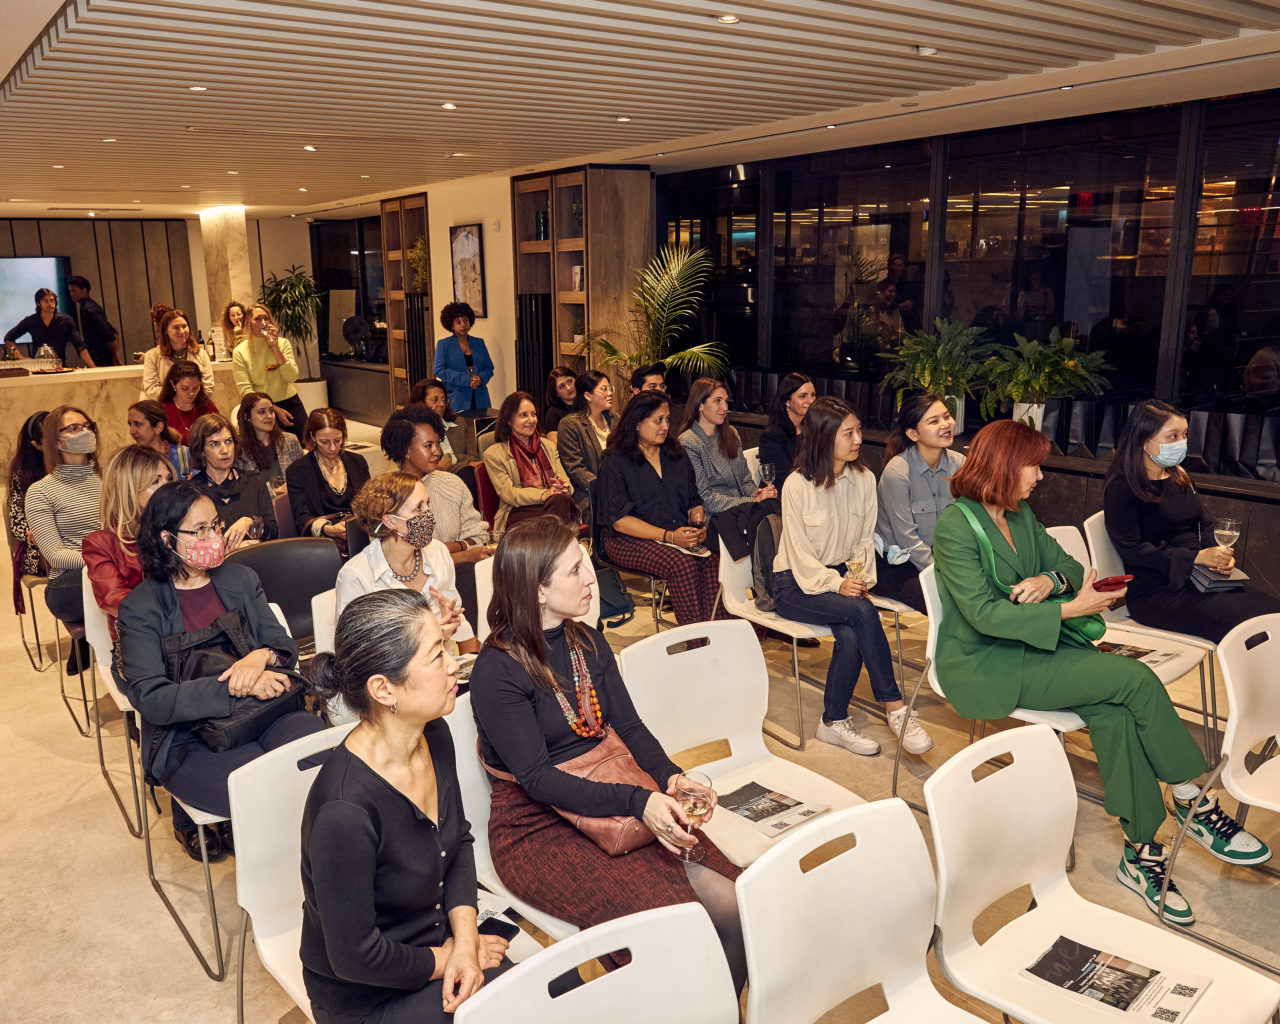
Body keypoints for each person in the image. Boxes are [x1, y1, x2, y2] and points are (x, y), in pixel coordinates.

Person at [932, 419, 1269, 923]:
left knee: (1115, 712)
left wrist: (1049, 581)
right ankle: (1191, 799)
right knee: (1135, 680)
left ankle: (1140, 854)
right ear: (1003, 466)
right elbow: (984, 615)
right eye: (1034, 465)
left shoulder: (1019, 515)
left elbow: (1068, 564)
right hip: (987, 661)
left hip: (1038, 645)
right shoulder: (957, 525)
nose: (1040, 476)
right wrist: (1070, 607)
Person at [470, 517, 746, 993]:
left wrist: (670, 777)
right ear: (537, 590)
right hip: (534, 826)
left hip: (610, 790)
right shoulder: (497, 670)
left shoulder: (587, 641)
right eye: (574, 570)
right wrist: (639, 801)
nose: (590, 577)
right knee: (672, 930)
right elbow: (536, 779)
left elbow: (630, 728)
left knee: (737, 901)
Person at [303, 589, 510, 1023]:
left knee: (552, 992)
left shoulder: (433, 733)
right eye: (437, 655)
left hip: (436, 945)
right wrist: (448, 957)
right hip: (368, 996)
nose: (454, 663)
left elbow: (457, 843)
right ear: (383, 689)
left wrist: (467, 944)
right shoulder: (344, 811)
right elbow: (355, 957)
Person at [118, 480, 325, 861]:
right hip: (189, 736)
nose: (214, 536)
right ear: (167, 540)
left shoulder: (240, 579)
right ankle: (276, 895)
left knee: (324, 760)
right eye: (200, 531)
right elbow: (152, 699)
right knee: (264, 792)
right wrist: (237, 686)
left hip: (266, 713)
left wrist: (259, 657)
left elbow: (285, 648)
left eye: (215, 525)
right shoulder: (141, 608)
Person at [772, 396, 933, 757]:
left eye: (859, 430)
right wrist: (837, 584)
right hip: (794, 583)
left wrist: (855, 578)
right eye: (849, 433)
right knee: (861, 613)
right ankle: (896, 708)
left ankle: (832, 722)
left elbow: (863, 540)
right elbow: (798, 554)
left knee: (851, 630)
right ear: (823, 436)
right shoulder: (797, 485)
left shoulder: (863, 478)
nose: (858, 439)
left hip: (842, 577)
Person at [1102, 399, 1280, 643]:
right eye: (1172, 436)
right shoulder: (1122, 488)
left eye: (1184, 435)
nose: (1181, 443)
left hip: (1199, 578)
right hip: (1156, 592)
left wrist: (1216, 554)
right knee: (1253, 630)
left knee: (1273, 615)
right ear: (1144, 441)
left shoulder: (1179, 476)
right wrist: (1196, 557)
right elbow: (1132, 549)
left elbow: (1203, 525)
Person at [596, 390, 721, 626]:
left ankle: (717, 633)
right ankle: (696, 639)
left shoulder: (675, 454)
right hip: (625, 540)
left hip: (672, 534)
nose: (665, 426)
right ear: (637, 423)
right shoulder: (616, 461)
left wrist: (698, 526)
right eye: (658, 420)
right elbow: (619, 520)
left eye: (667, 420)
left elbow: (694, 499)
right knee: (681, 565)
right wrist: (669, 537)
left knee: (712, 559)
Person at [336, 472, 479, 656]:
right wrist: (434, 637)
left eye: (428, 504)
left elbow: (460, 624)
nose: (429, 514)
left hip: (442, 664)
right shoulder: (357, 575)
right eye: (418, 508)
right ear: (389, 520)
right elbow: (356, 654)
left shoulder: (438, 552)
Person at [25, 405, 102, 672]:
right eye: (73, 428)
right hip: (69, 582)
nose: (84, 432)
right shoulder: (40, 492)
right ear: (55, 441)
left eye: (87, 426)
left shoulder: (105, 481)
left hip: (108, 573)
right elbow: (56, 554)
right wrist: (106, 560)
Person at [874, 393, 964, 614]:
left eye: (947, 416)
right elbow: (907, 539)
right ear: (913, 434)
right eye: (934, 421)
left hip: (944, 559)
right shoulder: (898, 472)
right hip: (899, 565)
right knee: (950, 603)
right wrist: (942, 573)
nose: (946, 425)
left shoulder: (960, 464)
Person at [83, 445, 174, 647]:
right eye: (155, 482)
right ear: (129, 489)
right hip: (141, 642)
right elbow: (115, 599)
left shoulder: (179, 527)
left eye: (168, 479)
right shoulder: (100, 543)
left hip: (188, 630)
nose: (167, 488)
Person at [678, 377, 778, 560]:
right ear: (700, 405)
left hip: (742, 511)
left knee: (775, 509)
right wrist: (752, 501)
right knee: (768, 520)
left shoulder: (730, 433)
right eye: (717, 401)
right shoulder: (689, 442)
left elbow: (746, 480)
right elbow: (706, 499)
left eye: (725, 401)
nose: (724, 407)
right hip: (714, 518)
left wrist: (757, 493)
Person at [380, 406, 491, 562]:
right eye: (428, 445)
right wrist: (463, 555)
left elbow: (479, 536)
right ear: (406, 450)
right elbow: (406, 559)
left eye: (438, 443)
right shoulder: (387, 492)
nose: (437, 452)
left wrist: (451, 547)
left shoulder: (452, 483)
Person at [481, 391, 574, 531]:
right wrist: (544, 495)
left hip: (553, 504)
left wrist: (563, 488)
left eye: (533, 414)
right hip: (518, 511)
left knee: (562, 499)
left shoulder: (548, 446)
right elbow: (510, 495)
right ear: (509, 419)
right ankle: (560, 546)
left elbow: (565, 482)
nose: (531, 420)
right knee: (560, 505)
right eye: (523, 415)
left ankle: (551, 547)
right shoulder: (494, 454)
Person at [188, 413, 277, 550]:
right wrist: (228, 550)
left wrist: (250, 522)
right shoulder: (191, 492)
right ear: (201, 451)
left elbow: (273, 531)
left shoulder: (254, 480)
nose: (225, 450)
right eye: (214, 444)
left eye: (228, 441)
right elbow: (192, 545)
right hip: (215, 568)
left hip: (256, 559)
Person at [286, 408, 371, 544]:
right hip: (323, 542)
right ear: (312, 437)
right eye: (324, 442)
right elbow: (302, 518)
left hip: (359, 533)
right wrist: (328, 529)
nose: (332, 448)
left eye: (338, 440)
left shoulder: (357, 462)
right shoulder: (298, 471)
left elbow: (369, 502)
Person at [233, 304, 306, 441]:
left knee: (305, 443)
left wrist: (274, 347)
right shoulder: (240, 351)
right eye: (258, 319)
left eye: (266, 318)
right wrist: (274, 410)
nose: (263, 323)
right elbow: (245, 390)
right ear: (248, 323)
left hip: (289, 401)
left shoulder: (283, 344)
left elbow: (291, 376)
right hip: (258, 407)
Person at [556, 370, 615, 521]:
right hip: (589, 493)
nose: (609, 393)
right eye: (604, 389)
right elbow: (576, 468)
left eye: (610, 388)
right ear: (588, 395)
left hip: (620, 489)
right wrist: (605, 487)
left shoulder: (616, 421)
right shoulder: (570, 424)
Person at [6, 411, 48, 579]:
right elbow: (16, 524)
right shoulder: (22, 473)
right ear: (36, 444)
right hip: (38, 548)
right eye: (50, 440)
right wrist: (39, 532)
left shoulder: (72, 463)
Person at [4, 288, 93, 366]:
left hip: (60, 366)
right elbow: (9, 338)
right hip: (37, 367)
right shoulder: (30, 321)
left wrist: (93, 367)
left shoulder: (66, 320)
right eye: (45, 301)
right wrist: (20, 358)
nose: (50, 304)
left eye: (52, 300)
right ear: (38, 303)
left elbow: (80, 346)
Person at [235, 391, 303, 491]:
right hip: (259, 505)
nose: (269, 416)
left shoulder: (290, 440)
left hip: (291, 501)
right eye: (262, 412)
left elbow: (304, 474)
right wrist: (274, 492)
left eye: (271, 411)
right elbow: (243, 489)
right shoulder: (238, 449)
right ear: (247, 417)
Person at [433, 301, 493, 413]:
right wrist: (466, 380)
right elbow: (439, 370)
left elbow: (489, 368)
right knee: (459, 429)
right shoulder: (443, 344)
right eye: (458, 322)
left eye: (466, 320)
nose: (463, 325)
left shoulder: (479, 343)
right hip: (456, 399)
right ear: (451, 325)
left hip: (480, 398)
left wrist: (481, 378)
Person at [141, 308, 214, 400]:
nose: (182, 331)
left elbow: (208, 387)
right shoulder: (152, 356)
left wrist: (188, 401)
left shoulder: (201, 354)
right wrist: (180, 400)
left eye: (184, 326)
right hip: (163, 408)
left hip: (195, 407)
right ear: (165, 331)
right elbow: (151, 390)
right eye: (176, 327)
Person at [414, 377, 482, 475]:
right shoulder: (417, 431)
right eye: (435, 400)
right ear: (421, 402)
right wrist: (466, 463)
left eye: (443, 400)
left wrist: (451, 458)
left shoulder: (459, 422)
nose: (441, 404)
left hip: (465, 473)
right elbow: (432, 469)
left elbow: (474, 457)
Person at [757, 372, 815, 488]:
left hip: (810, 491)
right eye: (803, 396)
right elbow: (786, 477)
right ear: (787, 401)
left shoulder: (812, 431)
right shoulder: (771, 436)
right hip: (780, 496)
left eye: (813, 395)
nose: (811, 401)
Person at [127, 400, 192, 480]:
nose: (131, 431)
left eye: (138, 424)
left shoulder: (183, 456)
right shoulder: (131, 459)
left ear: (158, 428)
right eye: (130, 424)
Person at [159, 359, 219, 445]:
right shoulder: (163, 411)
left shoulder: (208, 408)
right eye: (185, 388)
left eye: (196, 388)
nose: (191, 393)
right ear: (173, 384)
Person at [67, 276, 121, 366]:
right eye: (70, 291)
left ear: (83, 290)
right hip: (101, 356)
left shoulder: (88, 309)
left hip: (100, 357)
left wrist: (115, 357)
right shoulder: (89, 306)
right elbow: (114, 333)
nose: (71, 294)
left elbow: (110, 335)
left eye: (74, 291)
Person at [541, 366, 577, 441]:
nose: (568, 388)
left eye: (570, 381)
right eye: (562, 386)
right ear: (556, 393)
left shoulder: (588, 402)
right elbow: (554, 444)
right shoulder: (553, 413)